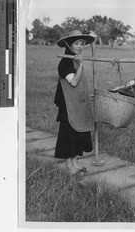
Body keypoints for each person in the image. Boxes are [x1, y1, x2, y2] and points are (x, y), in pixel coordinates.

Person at [54, 30, 97, 175]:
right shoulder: (65, 63)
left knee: (77, 132)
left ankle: (75, 162)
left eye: (82, 44)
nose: (80, 47)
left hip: (77, 103)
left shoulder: (74, 61)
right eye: (77, 43)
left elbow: (80, 86)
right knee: (68, 133)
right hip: (67, 104)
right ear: (68, 45)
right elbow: (73, 82)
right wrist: (81, 65)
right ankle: (69, 166)